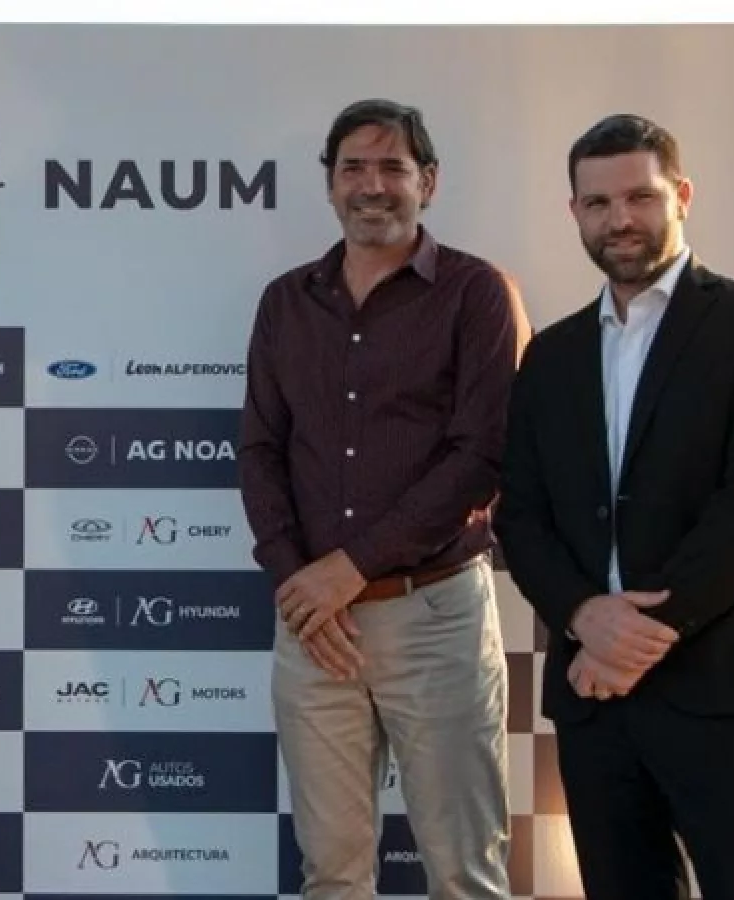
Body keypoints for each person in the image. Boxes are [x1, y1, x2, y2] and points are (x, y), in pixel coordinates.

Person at [494, 113, 734, 900]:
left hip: (729, 685)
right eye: (598, 203)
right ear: (574, 212)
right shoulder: (552, 354)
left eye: (640, 197)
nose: (620, 219)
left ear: (681, 196)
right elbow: (521, 515)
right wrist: (584, 616)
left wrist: (634, 638)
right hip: (595, 702)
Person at [237, 98, 526, 900]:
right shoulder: (286, 301)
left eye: (392, 168)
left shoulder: (477, 293)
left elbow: (483, 457)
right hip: (312, 626)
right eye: (353, 168)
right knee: (331, 873)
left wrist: (349, 569)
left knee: (465, 873)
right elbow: (260, 450)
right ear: (329, 184)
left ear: (427, 182)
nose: (372, 186)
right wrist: (300, 583)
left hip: (433, 615)